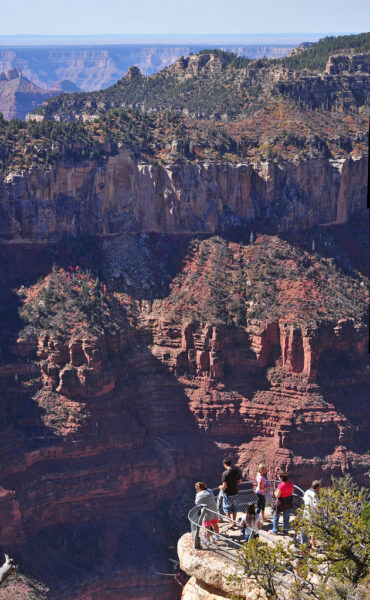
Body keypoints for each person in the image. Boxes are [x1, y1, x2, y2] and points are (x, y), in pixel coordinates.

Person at [297, 480, 321, 549]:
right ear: (318, 487)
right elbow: (316, 506)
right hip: (312, 515)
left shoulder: (307, 491)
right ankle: (313, 545)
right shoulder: (314, 494)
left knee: (307, 528)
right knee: (314, 529)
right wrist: (324, 511)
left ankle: (308, 542)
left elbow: (304, 500)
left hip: (306, 512)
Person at [219, 457, 242, 528]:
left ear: (225, 464)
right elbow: (240, 482)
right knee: (234, 508)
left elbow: (224, 486)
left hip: (227, 494)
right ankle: (234, 522)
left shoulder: (225, 473)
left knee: (226, 508)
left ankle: (231, 522)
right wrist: (234, 484)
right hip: (235, 492)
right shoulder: (236, 471)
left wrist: (220, 487)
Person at [271, 471, 294, 535]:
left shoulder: (281, 485)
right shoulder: (290, 483)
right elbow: (292, 491)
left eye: (279, 477)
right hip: (288, 502)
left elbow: (277, 495)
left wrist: (275, 492)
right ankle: (285, 531)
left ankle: (275, 530)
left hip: (280, 503)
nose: (278, 478)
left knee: (276, 516)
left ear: (281, 478)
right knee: (286, 517)